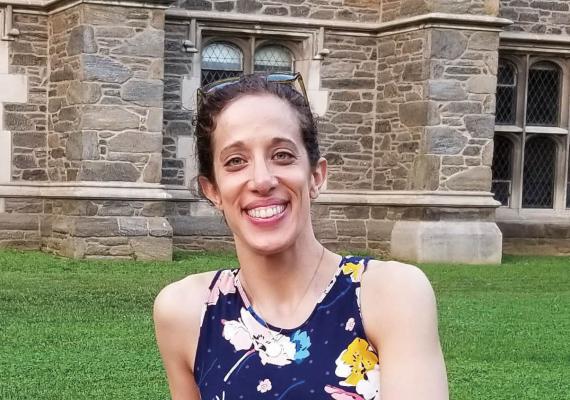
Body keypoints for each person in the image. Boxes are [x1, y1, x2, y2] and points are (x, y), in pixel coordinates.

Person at [153, 73, 449, 400]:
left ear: (316, 176)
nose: (262, 180)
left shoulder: (391, 294)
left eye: (282, 155)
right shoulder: (187, 312)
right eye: (236, 161)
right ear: (213, 190)